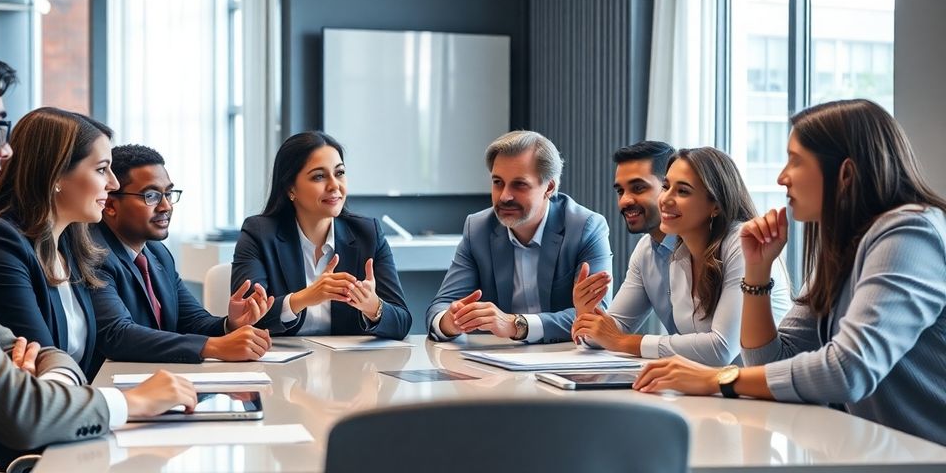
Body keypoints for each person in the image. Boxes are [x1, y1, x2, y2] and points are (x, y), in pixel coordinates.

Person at [0, 31, 195, 473]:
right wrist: (130, 402)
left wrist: (48, 376)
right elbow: (19, 409)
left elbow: (30, 353)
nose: (5, 150)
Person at [633, 99, 946, 446]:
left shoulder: (909, 234)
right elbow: (769, 359)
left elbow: (848, 369)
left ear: (844, 173)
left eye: (795, 161)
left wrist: (718, 378)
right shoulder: (844, 248)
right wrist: (757, 271)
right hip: (887, 453)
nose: (782, 177)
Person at [572, 145, 791, 365]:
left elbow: (721, 349)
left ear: (715, 205)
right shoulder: (678, 250)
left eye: (683, 191)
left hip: (762, 389)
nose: (665, 198)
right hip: (710, 389)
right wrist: (588, 317)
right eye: (666, 187)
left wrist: (622, 341)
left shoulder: (742, 243)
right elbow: (610, 333)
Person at [0, 107, 119, 380]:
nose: (113, 183)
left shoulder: (69, 243)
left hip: (71, 408)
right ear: (56, 175)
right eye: (102, 169)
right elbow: (41, 365)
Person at [426, 130, 613, 344]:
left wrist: (516, 324)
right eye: (498, 182)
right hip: (497, 367)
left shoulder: (585, 227)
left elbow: (595, 317)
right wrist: (451, 321)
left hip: (565, 362)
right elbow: (439, 309)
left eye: (519, 184)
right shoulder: (478, 228)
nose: (505, 196)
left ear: (549, 187)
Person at [93, 144, 275, 363]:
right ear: (110, 205)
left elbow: (193, 321)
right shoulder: (94, 253)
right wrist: (213, 346)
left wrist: (231, 324)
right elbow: (117, 335)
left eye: (168, 194)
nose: (166, 206)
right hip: (111, 387)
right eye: (150, 196)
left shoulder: (158, 254)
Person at [231, 131, 412, 338]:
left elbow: (402, 322)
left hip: (348, 366)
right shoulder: (259, 233)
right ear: (291, 188)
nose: (334, 185)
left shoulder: (367, 233)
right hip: (279, 365)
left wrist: (372, 306)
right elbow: (247, 316)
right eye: (319, 176)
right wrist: (305, 298)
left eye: (339, 173)